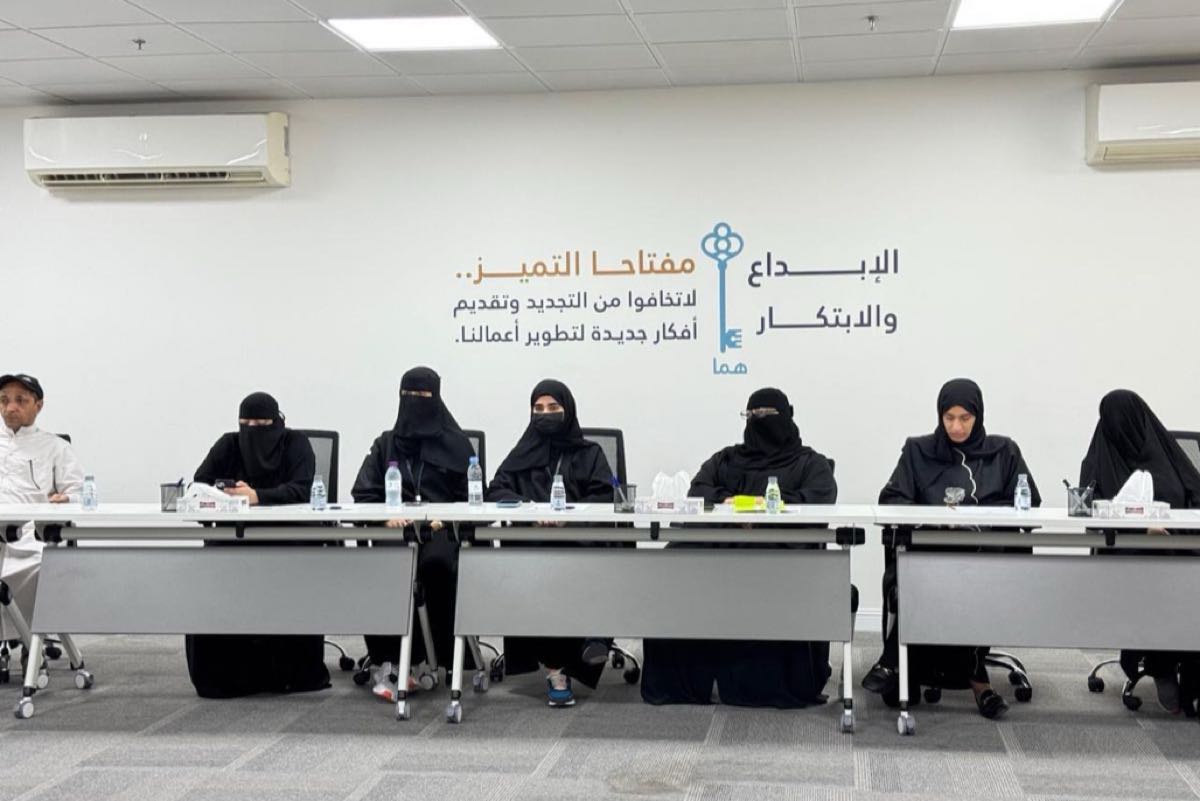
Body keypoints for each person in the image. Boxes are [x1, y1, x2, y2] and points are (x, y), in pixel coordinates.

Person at [641, 387, 838, 707]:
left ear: (786, 417)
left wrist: (765, 510)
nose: (758, 422)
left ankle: (764, 683)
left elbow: (818, 502)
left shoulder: (810, 463)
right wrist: (729, 503)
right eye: (752, 415)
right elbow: (698, 490)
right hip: (720, 554)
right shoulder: (726, 458)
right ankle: (686, 681)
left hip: (779, 559)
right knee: (671, 571)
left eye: (766, 416)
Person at [862, 378, 1041, 719]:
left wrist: (978, 519)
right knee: (935, 578)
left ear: (978, 415)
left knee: (964, 584)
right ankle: (978, 682)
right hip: (930, 556)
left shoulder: (1003, 452)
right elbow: (892, 499)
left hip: (986, 561)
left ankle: (894, 663)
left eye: (965, 418)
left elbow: (1028, 503)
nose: (956, 427)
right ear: (939, 416)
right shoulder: (918, 451)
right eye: (949, 418)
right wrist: (934, 519)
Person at [187, 391, 330, 698]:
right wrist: (224, 494)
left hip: (289, 540)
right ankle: (225, 678)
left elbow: (302, 489)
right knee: (211, 575)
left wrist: (257, 497)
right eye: (246, 424)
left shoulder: (296, 444)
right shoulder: (228, 444)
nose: (252, 430)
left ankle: (289, 675)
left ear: (277, 422)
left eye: (261, 424)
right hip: (235, 539)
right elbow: (199, 484)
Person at [486, 379, 614, 707]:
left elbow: (604, 496)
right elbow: (496, 490)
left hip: (578, 540)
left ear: (567, 410)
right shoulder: (522, 453)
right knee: (538, 569)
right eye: (538, 409)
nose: (545, 414)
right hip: (533, 543)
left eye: (553, 408)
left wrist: (567, 515)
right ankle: (558, 669)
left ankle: (593, 641)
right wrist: (530, 510)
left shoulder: (590, 453)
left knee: (590, 565)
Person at [351, 367, 475, 702]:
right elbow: (363, 493)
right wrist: (385, 517)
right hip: (395, 533)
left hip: (441, 532)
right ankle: (388, 661)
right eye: (408, 395)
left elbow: (473, 498)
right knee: (379, 568)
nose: (414, 402)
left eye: (422, 396)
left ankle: (433, 658)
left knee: (434, 565)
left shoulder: (458, 445)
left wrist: (443, 518)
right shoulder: (386, 443)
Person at [1080, 389, 1200, 714]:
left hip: (1179, 545)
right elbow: (1090, 515)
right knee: (1164, 574)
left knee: (1191, 577)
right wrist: (1139, 528)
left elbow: (1195, 494)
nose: (1124, 431)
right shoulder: (1099, 461)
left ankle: (1192, 674)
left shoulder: (1167, 454)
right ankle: (1161, 664)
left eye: (1129, 423)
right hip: (1126, 552)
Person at [0, 374, 84, 642]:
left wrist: (66, 500)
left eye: (20, 400)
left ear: (38, 405)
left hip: (30, 539)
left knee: (43, 568)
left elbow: (78, 492)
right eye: (4, 400)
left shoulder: (55, 447)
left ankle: (31, 644)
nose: (10, 407)